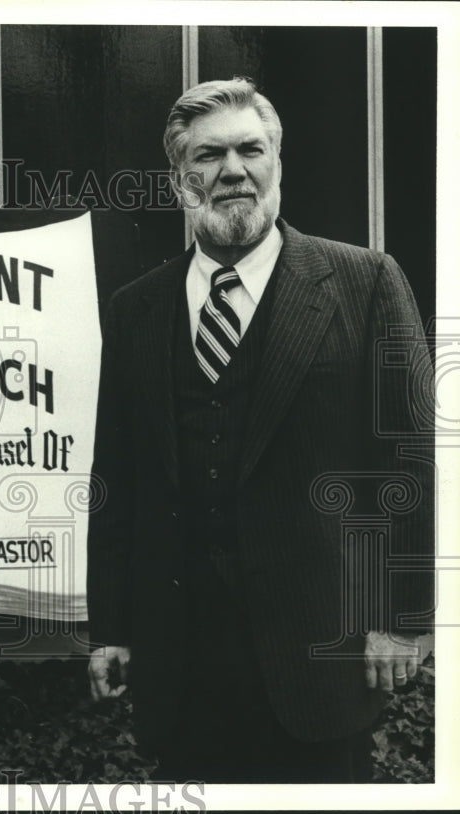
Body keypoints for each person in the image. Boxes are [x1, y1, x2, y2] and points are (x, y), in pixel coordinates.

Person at [85, 77, 435, 783]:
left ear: (277, 162)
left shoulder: (365, 283)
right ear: (181, 178)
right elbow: (115, 478)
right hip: (181, 663)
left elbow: (414, 462)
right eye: (209, 156)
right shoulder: (135, 310)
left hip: (319, 655)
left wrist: (403, 614)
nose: (233, 171)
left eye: (251, 149)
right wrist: (113, 629)